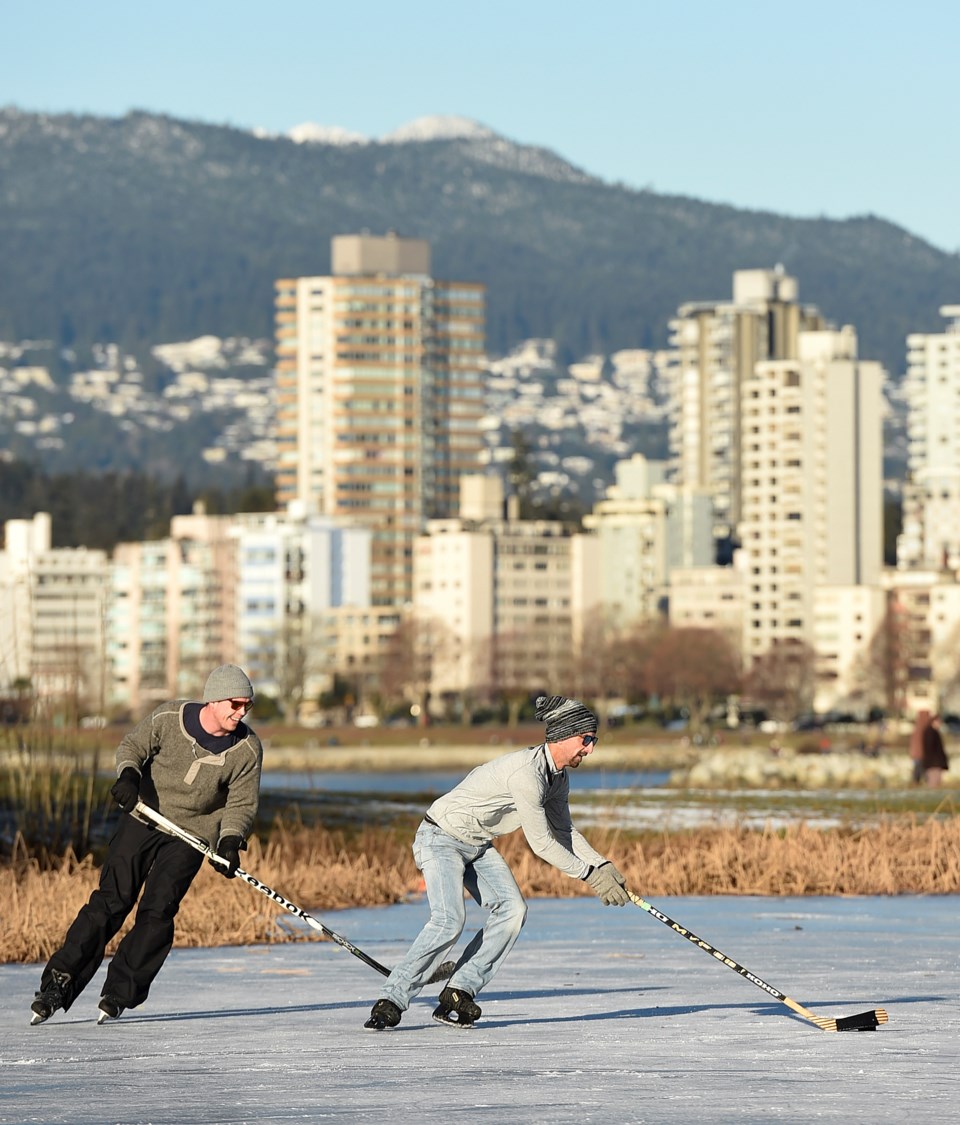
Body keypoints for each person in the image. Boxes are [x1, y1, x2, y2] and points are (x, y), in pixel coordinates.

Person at [363, 693, 630, 1032]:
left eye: (594, 741)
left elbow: (564, 829)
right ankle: (392, 1000)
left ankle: (458, 991)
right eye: (586, 740)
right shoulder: (526, 775)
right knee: (449, 920)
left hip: (476, 844)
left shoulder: (558, 777)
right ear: (563, 735)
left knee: (513, 910)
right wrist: (589, 875)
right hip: (440, 837)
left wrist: (602, 865)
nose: (590, 749)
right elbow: (542, 843)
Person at [30, 664, 262, 1026]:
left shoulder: (246, 749)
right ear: (214, 700)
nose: (241, 712)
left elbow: (241, 803)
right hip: (145, 815)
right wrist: (128, 775)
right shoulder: (169, 717)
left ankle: (120, 992)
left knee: (158, 911)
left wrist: (230, 840)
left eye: (246, 706)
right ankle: (58, 983)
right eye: (235, 704)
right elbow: (133, 747)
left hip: (192, 835)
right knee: (111, 900)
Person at [921, 713, 949, 788]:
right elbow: (930, 748)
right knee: (933, 783)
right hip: (934, 763)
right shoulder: (930, 732)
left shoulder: (933, 732)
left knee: (936, 782)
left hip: (935, 762)